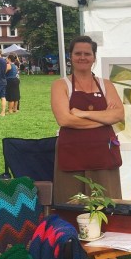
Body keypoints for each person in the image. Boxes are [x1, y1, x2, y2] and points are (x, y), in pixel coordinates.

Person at [51, 36, 124, 204]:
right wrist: (104, 118)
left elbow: (119, 115)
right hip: (72, 154)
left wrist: (83, 114)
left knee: (106, 204)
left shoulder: (106, 84)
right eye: (78, 53)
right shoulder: (60, 85)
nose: (82, 57)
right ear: (70, 56)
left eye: (87, 54)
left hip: (104, 154)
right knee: (71, 204)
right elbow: (64, 120)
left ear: (94, 57)